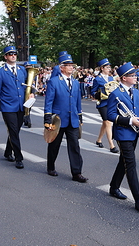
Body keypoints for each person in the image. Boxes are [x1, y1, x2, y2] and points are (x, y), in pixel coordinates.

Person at [106, 62, 139, 212]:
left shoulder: (136, 92)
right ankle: (138, 199)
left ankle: (113, 187)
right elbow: (110, 115)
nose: (136, 77)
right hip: (123, 134)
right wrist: (129, 120)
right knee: (130, 164)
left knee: (123, 161)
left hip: (134, 132)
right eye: (132, 76)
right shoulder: (115, 94)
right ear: (124, 78)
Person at [44, 53, 87, 182]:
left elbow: (78, 101)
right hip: (59, 119)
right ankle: (50, 166)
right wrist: (47, 119)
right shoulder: (54, 81)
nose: (71, 68)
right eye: (68, 66)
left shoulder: (75, 82)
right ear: (61, 67)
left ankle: (76, 173)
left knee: (74, 146)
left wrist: (80, 117)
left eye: (72, 65)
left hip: (72, 119)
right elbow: (49, 101)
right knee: (54, 145)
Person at [0, 46, 33, 169]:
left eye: (14, 54)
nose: (13, 56)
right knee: (13, 130)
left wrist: (31, 93)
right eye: (10, 54)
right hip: (7, 106)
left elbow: (26, 86)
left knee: (16, 130)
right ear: (5, 57)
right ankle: (18, 158)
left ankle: (8, 151)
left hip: (20, 105)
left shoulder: (22, 70)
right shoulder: (0, 72)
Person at [91, 58, 119, 153]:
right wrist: (99, 95)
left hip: (111, 103)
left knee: (105, 123)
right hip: (102, 103)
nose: (109, 69)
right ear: (102, 68)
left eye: (109, 67)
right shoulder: (97, 79)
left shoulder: (111, 78)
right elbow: (93, 91)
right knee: (108, 123)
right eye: (107, 67)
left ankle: (99, 140)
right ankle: (111, 145)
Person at [22, 61, 35, 128]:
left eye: (29, 66)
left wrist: (33, 92)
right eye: (27, 66)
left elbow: (33, 85)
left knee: (28, 107)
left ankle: (27, 120)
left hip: (29, 92)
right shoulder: (22, 74)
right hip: (23, 92)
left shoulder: (32, 74)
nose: (28, 67)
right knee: (24, 107)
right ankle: (26, 119)